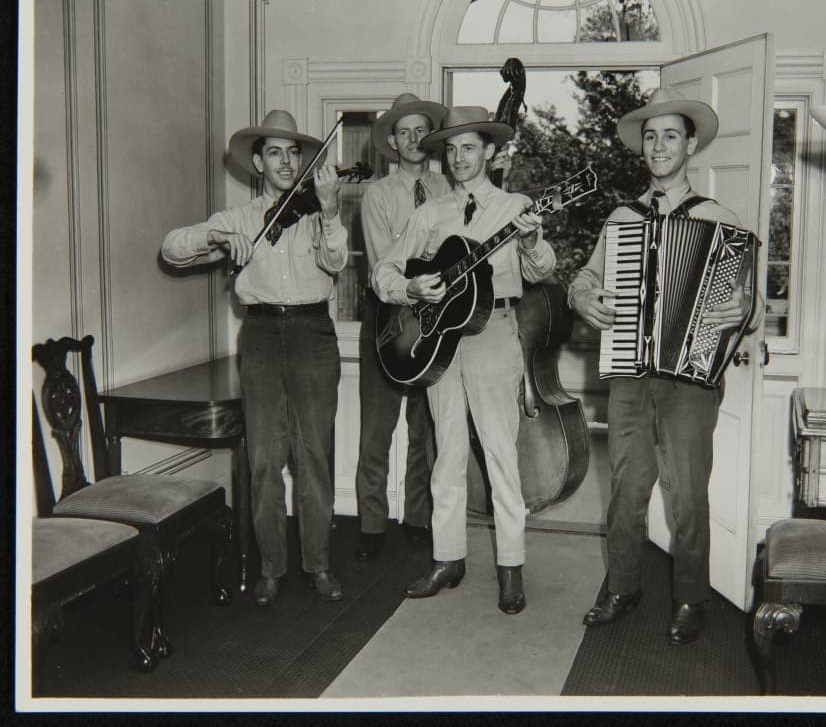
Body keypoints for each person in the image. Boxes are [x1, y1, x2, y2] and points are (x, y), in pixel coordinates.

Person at [568, 88, 761, 645]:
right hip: (630, 371)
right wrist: (583, 297)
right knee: (625, 487)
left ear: (690, 145)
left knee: (688, 493)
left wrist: (744, 309)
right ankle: (622, 587)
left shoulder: (718, 220)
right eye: (650, 137)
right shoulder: (621, 219)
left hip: (690, 380)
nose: (658, 146)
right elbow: (587, 277)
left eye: (670, 136)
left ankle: (691, 598)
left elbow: (752, 305)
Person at [372, 105, 556, 615]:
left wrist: (532, 241)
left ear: (490, 152)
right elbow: (384, 272)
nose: (458, 158)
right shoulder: (430, 213)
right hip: (439, 342)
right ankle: (448, 558)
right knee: (447, 455)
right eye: (451, 149)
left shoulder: (516, 206)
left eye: (469, 148)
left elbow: (541, 271)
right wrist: (411, 288)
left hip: (494, 332)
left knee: (500, 455)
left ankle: (510, 568)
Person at [161, 109, 348, 607]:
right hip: (261, 333)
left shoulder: (317, 212)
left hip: (312, 332)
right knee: (264, 459)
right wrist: (217, 238)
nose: (286, 162)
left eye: (294, 154)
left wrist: (331, 211)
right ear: (258, 162)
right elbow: (172, 248)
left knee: (314, 456)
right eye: (275, 153)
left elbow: (335, 261)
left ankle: (319, 565)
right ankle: (270, 569)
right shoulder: (238, 218)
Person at [354, 93, 449, 562]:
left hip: (434, 313)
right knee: (377, 428)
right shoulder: (377, 194)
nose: (413, 139)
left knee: (424, 427)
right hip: (386, 314)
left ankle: (417, 518)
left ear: (431, 137)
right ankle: (371, 526)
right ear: (392, 141)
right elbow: (382, 265)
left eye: (421, 130)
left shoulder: (448, 186)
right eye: (404, 132)